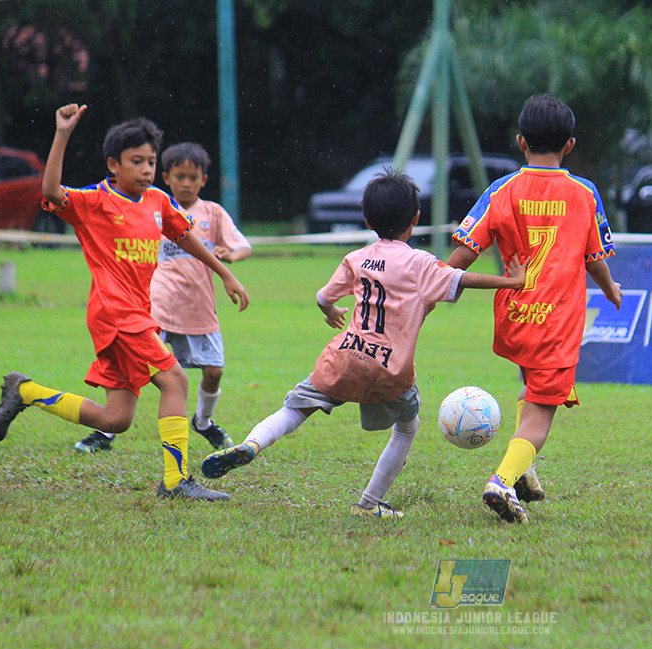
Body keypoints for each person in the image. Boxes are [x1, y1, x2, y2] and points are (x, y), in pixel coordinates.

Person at [200, 170, 526, 518]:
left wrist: (329, 312)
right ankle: (369, 504)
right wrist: (511, 280)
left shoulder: (356, 258)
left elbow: (323, 297)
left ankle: (252, 444)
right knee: (407, 427)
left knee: (295, 409)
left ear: (367, 219)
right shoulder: (420, 263)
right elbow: (465, 278)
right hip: (390, 369)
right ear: (416, 219)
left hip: (344, 357)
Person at [0, 103, 249, 501]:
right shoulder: (94, 201)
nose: (146, 169)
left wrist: (225, 271)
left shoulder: (157, 201)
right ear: (113, 164)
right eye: (136, 162)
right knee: (176, 379)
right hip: (116, 313)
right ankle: (176, 480)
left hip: (134, 314)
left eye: (150, 161)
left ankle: (26, 393)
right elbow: (50, 192)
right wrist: (62, 133)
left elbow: (184, 236)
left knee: (117, 418)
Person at [448, 93, 622, 524]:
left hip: (514, 317)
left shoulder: (500, 189)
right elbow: (593, 255)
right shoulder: (584, 193)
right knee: (541, 416)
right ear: (570, 145)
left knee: (533, 388)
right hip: (557, 322)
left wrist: (431, 289)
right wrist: (610, 288)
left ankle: (524, 472)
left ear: (521, 142)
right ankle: (502, 482)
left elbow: (465, 253)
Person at [74, 142, 252, 454]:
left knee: (213, 371)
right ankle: (107, 433)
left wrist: (229, 261)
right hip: (154, 308)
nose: (186, 183)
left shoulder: (211, 213)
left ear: (203, 180)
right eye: (180, 176)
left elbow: (242, 245)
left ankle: (204, 423)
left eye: (193, 177)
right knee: (151, 373)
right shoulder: (149, 206)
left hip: (198, 308)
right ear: (167, 177)